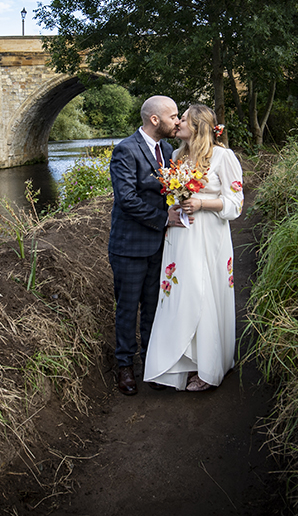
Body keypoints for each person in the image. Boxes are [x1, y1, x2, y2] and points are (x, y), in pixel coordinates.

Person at [144, 104, 244, 392]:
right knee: (181, 295)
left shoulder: (223, 156)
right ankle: (181, 360)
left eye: (183, 119)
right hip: (181, 237)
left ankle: (209, 366)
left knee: (207, 295)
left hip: (210, 237)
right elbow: (173, 196)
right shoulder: (176, 156)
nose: (177, 124)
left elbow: (236, 204)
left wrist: (202, 203)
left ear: (198, 126)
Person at [108, 95, 185, 395]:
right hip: (130, 246)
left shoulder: (166, 149)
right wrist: (164, 218)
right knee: (128, 309)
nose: (177, 121)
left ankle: (152, 366)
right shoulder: (125, 150)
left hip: (158, 245)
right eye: (173, 116)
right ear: (155, 119)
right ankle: (125, 367)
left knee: (154, 307)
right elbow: (126, 200)